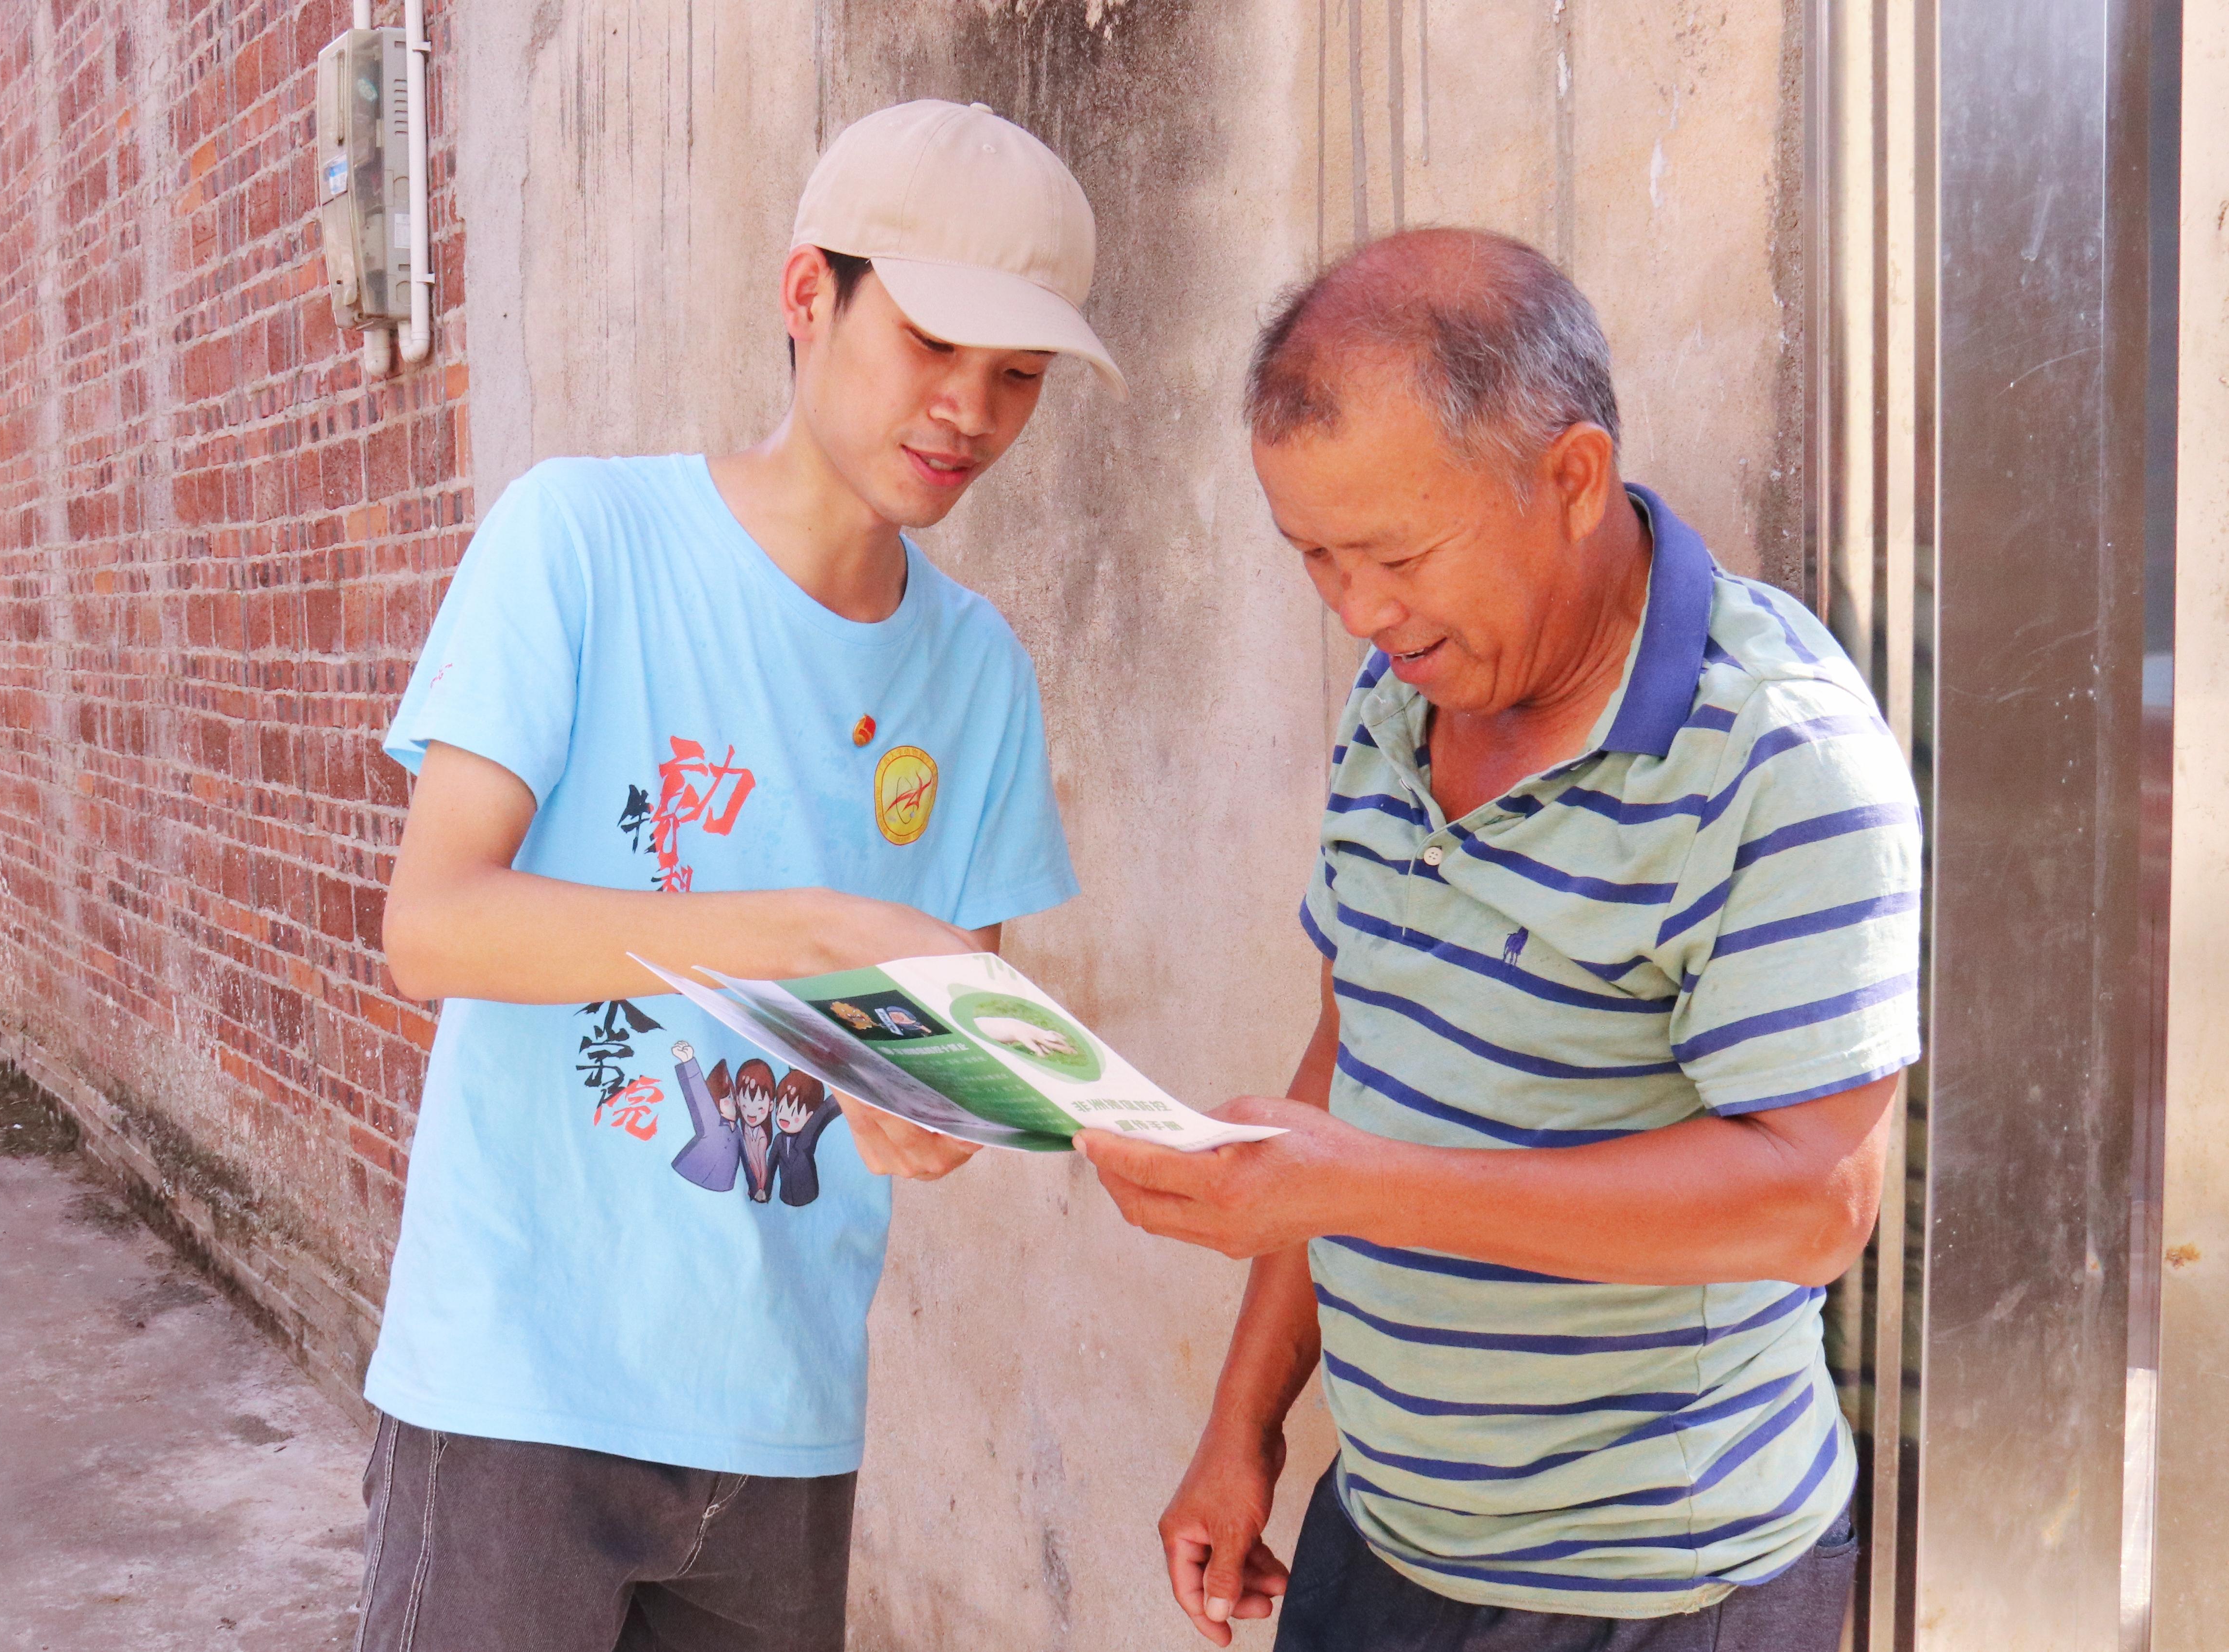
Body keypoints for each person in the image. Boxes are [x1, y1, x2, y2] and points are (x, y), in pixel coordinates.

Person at [1077, 229, 1918, 1651]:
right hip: (1383, 1539)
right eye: (1317, 556)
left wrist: (1362, 1187)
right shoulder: (1400, 691)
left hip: (1655, 1591)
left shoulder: (1779, 753)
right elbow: (1356, 1056)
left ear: (1573, 478)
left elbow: (1810, 1201)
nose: (1363, 610)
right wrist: (1244, 1425)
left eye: (1399, 554)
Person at [356, 99, 1123, 1652]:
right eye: (932, 344)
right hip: (517, 1382)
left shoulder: (980, 673)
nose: (970, 410)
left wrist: (942, 1112)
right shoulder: (582, 538)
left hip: (784, 1410)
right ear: (806, 295)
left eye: (1019, 376)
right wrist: (802, 927)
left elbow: (933, 1042)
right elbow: (432, 925)